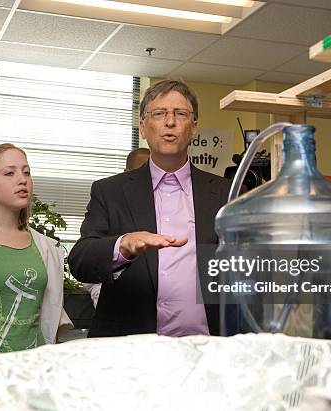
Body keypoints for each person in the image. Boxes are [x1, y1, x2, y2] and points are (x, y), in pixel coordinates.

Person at [69, 80, 231, 337]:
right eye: (159, 113)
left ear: (194, 128)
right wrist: (123, 246)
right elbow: (80, 262)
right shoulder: (110, 191)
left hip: (207, 349)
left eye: (180, 113)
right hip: (131, 349)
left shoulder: (226, 193)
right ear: (143, 128)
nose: (170, 122)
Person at [0, 143, 72, 352]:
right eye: (9, 173)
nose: (22, 179)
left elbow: (52, 312)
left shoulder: (46, 247)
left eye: (26, 172)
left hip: (32, 367)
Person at [83, 147, 151, 308]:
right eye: (140, 171)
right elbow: (88, 257)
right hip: (117, 304)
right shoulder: (108, 201)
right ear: (126, 172)